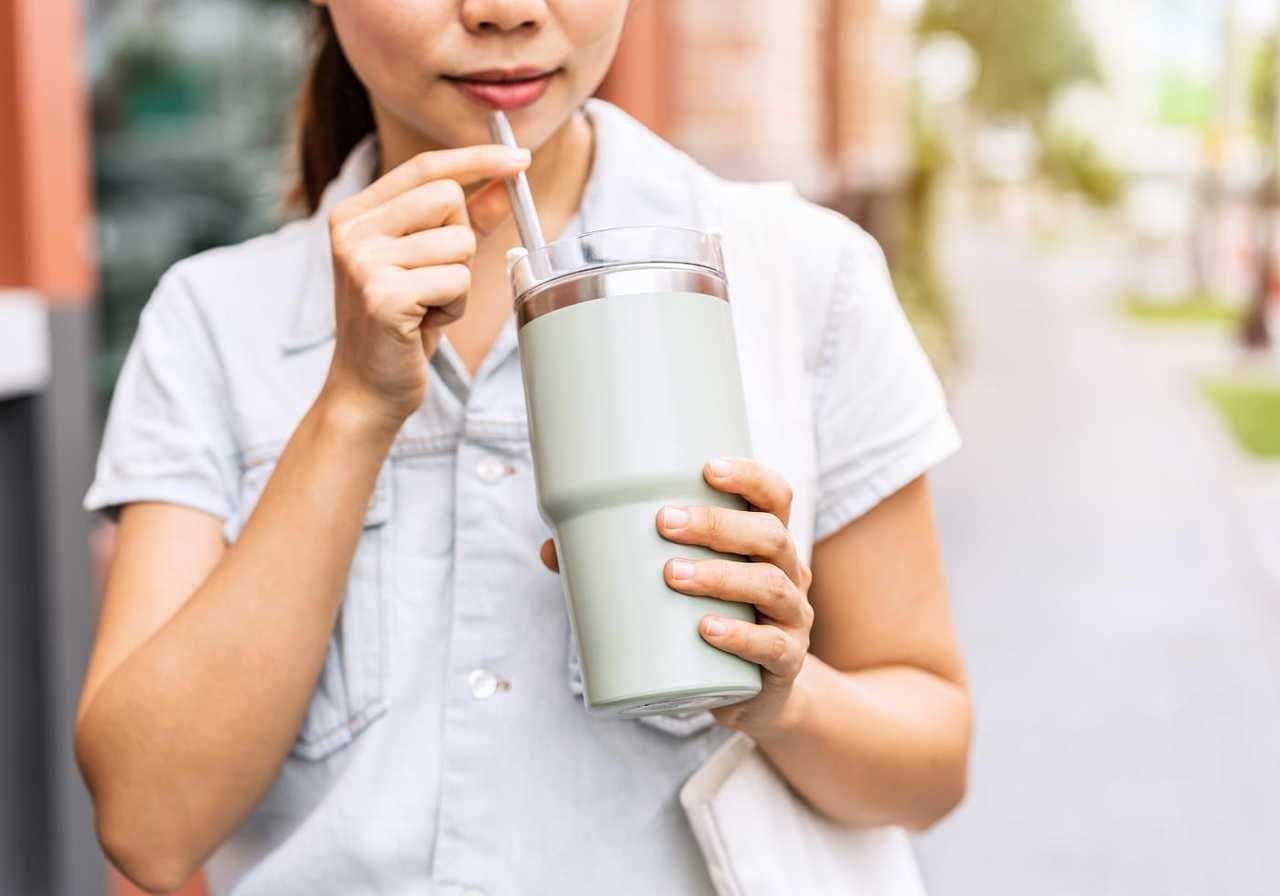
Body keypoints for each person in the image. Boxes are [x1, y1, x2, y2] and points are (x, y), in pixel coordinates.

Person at [75, 2, 972, 893]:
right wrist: (352, 407)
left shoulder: (799, 276)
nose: (504, 10)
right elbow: (149, 826)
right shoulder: (212, 322)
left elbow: (930, 769)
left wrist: (785, 696)